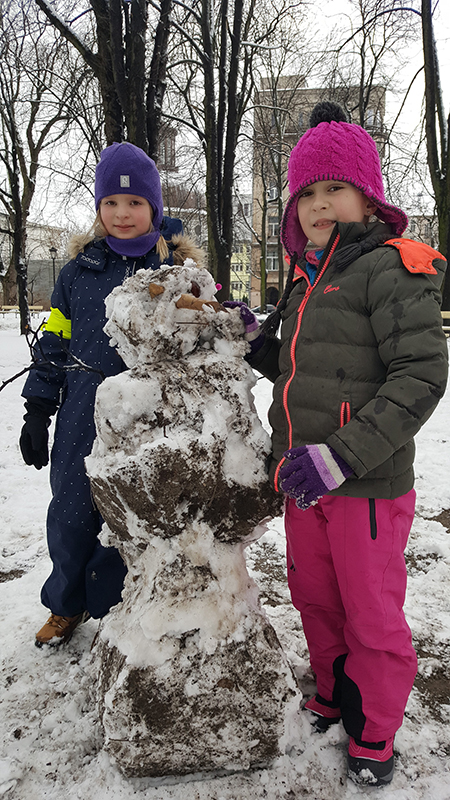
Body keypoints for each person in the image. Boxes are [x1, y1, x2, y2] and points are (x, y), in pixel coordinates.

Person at [231, 102, 448, 786]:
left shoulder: (390, 268)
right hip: (305, 482)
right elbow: (301, 366)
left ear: (367, 195)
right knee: (315, 596)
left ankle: (375, 731)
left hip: (364, 484)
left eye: (335, 188)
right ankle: (333, 693)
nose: (320, 205)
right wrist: (253, 340)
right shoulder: (307, 279)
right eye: (307, 193)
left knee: (370, 612)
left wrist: (342, 456)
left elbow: (421, 374)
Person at [20, 142, 203, 648]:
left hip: (150, 413)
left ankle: (120, 605)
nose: (123, 214)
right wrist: (38, 408)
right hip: (82, 407)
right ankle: (66, 605)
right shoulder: (79, 272)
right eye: (111, 204)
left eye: (135, 203)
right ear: (100, 209)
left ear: (154, 209)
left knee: (130, 514)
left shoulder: (173, 273)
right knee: (73, 510)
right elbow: (54, 340)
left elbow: (203, 340)